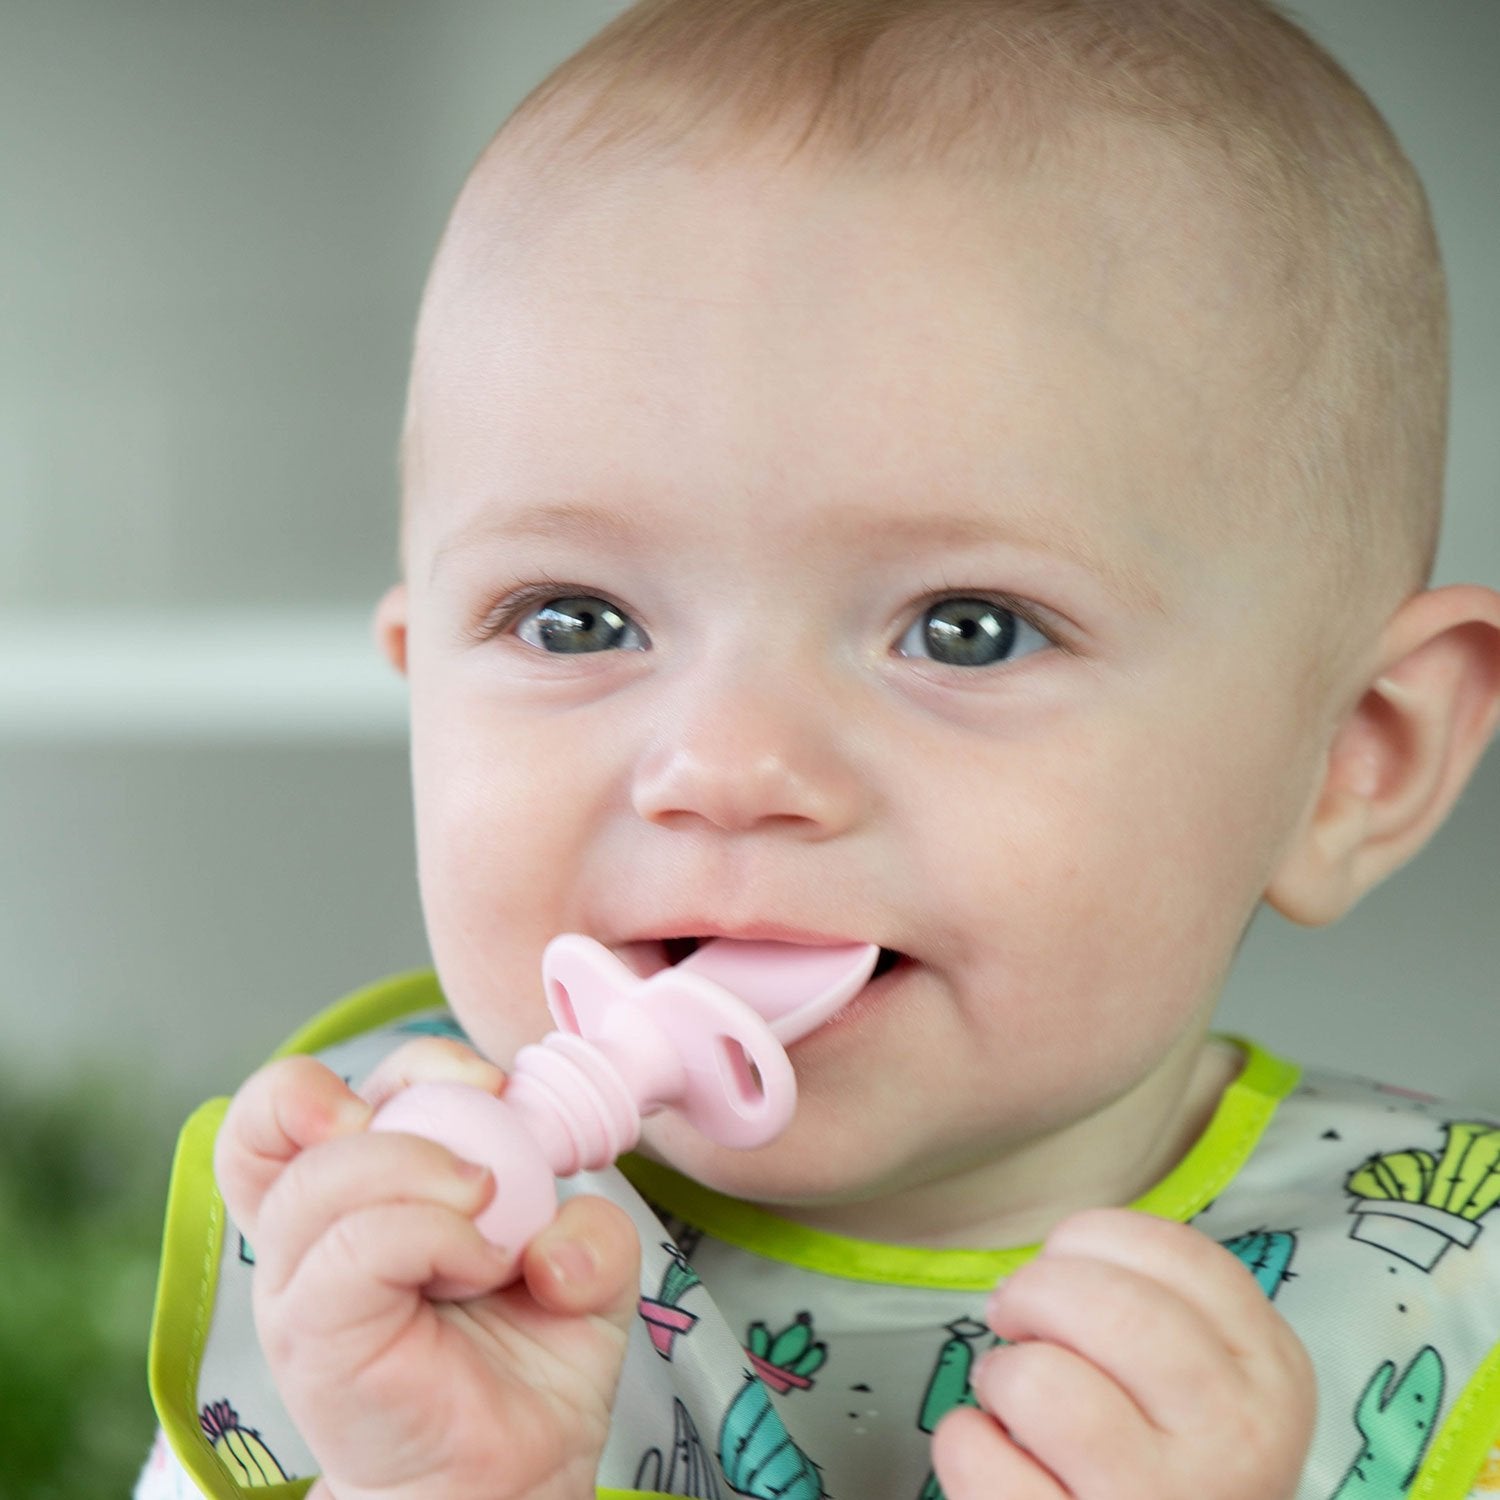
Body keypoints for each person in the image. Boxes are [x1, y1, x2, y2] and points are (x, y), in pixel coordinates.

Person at [139, 1, 1500, 1497]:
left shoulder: (1436, 1294)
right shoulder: (387, 1233)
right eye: (577, 620)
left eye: (968, 627)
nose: (723, 766)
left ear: (1356, 758)